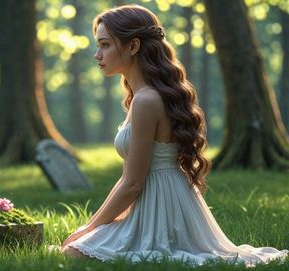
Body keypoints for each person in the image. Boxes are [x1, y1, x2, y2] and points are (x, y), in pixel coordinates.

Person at [60, 4, 288, 266]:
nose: (97, 54)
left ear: (133, 46)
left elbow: (132, 184)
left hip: (161, 206)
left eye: (105, 45)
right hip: (157, 199)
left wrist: (88, 229)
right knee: (82, 247)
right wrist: (93, 227)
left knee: (75, 252)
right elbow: (128, 180)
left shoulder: (147, 100)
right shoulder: (142, 96)